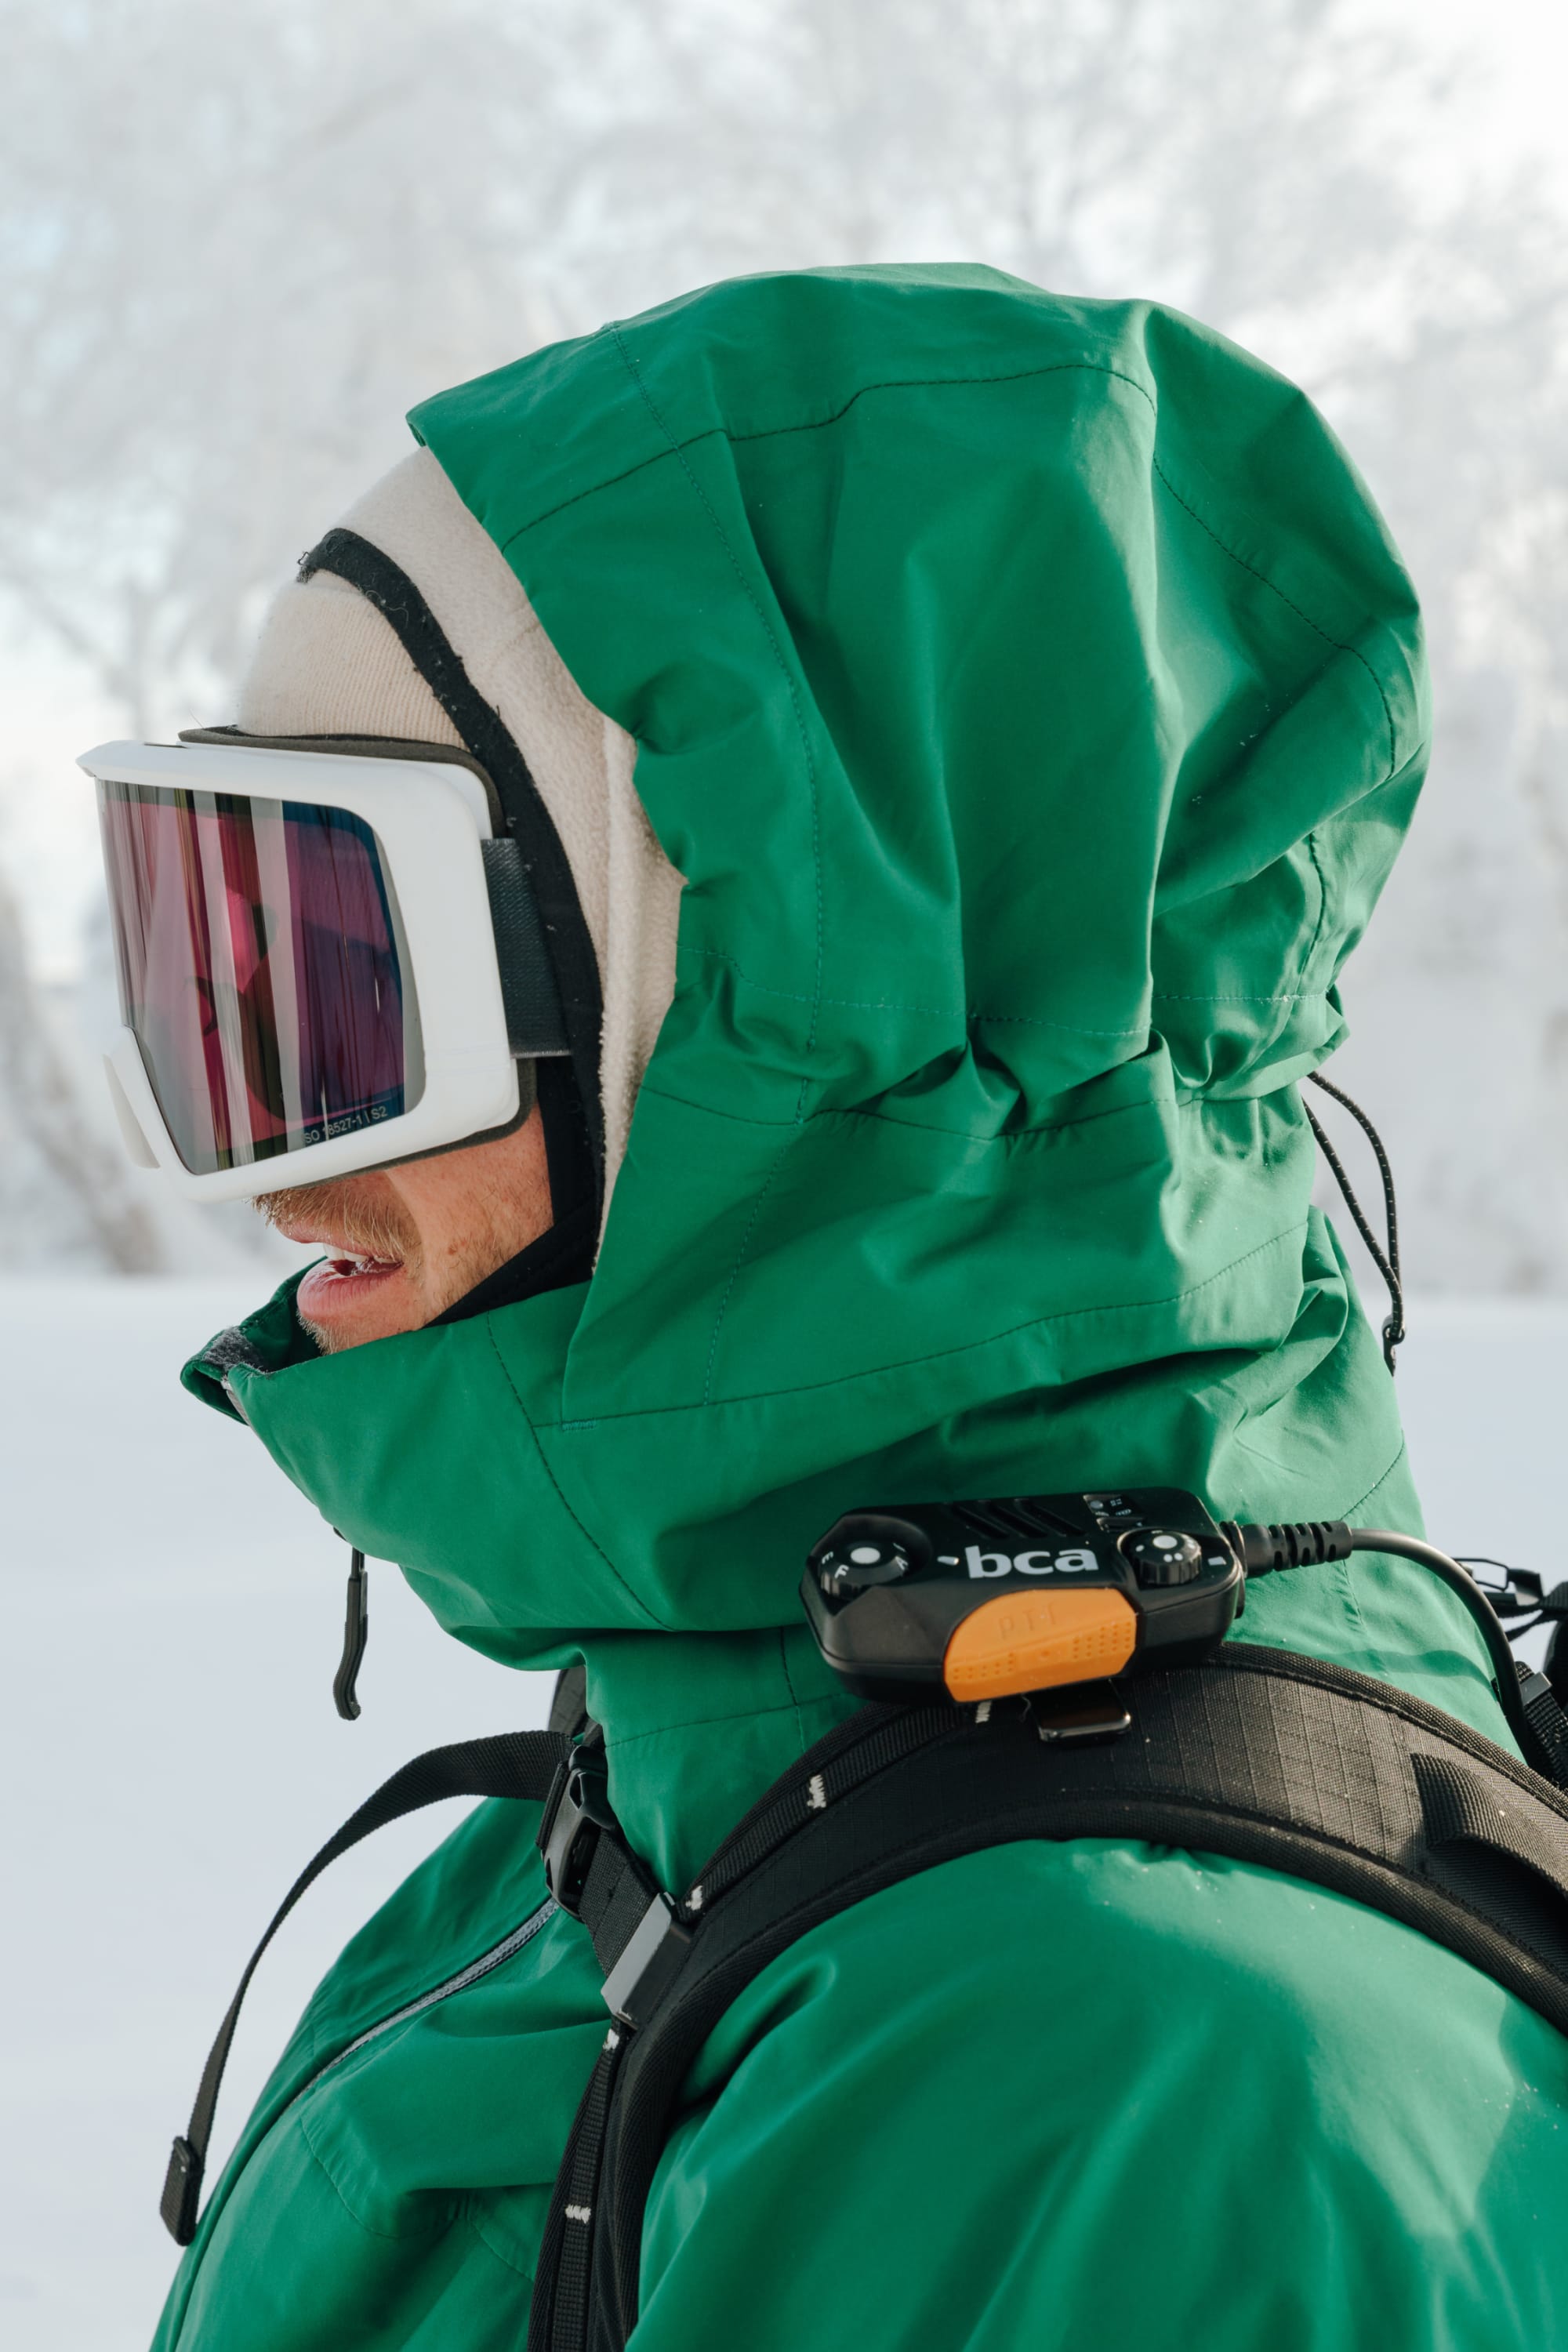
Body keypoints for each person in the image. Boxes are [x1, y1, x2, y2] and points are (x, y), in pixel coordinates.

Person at [91, 265, 1568, 2351]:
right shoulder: (666, 1797)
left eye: (356, 990)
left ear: (756, 1013)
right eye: (222, 973)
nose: (275, 1177)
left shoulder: (1121, 2094)